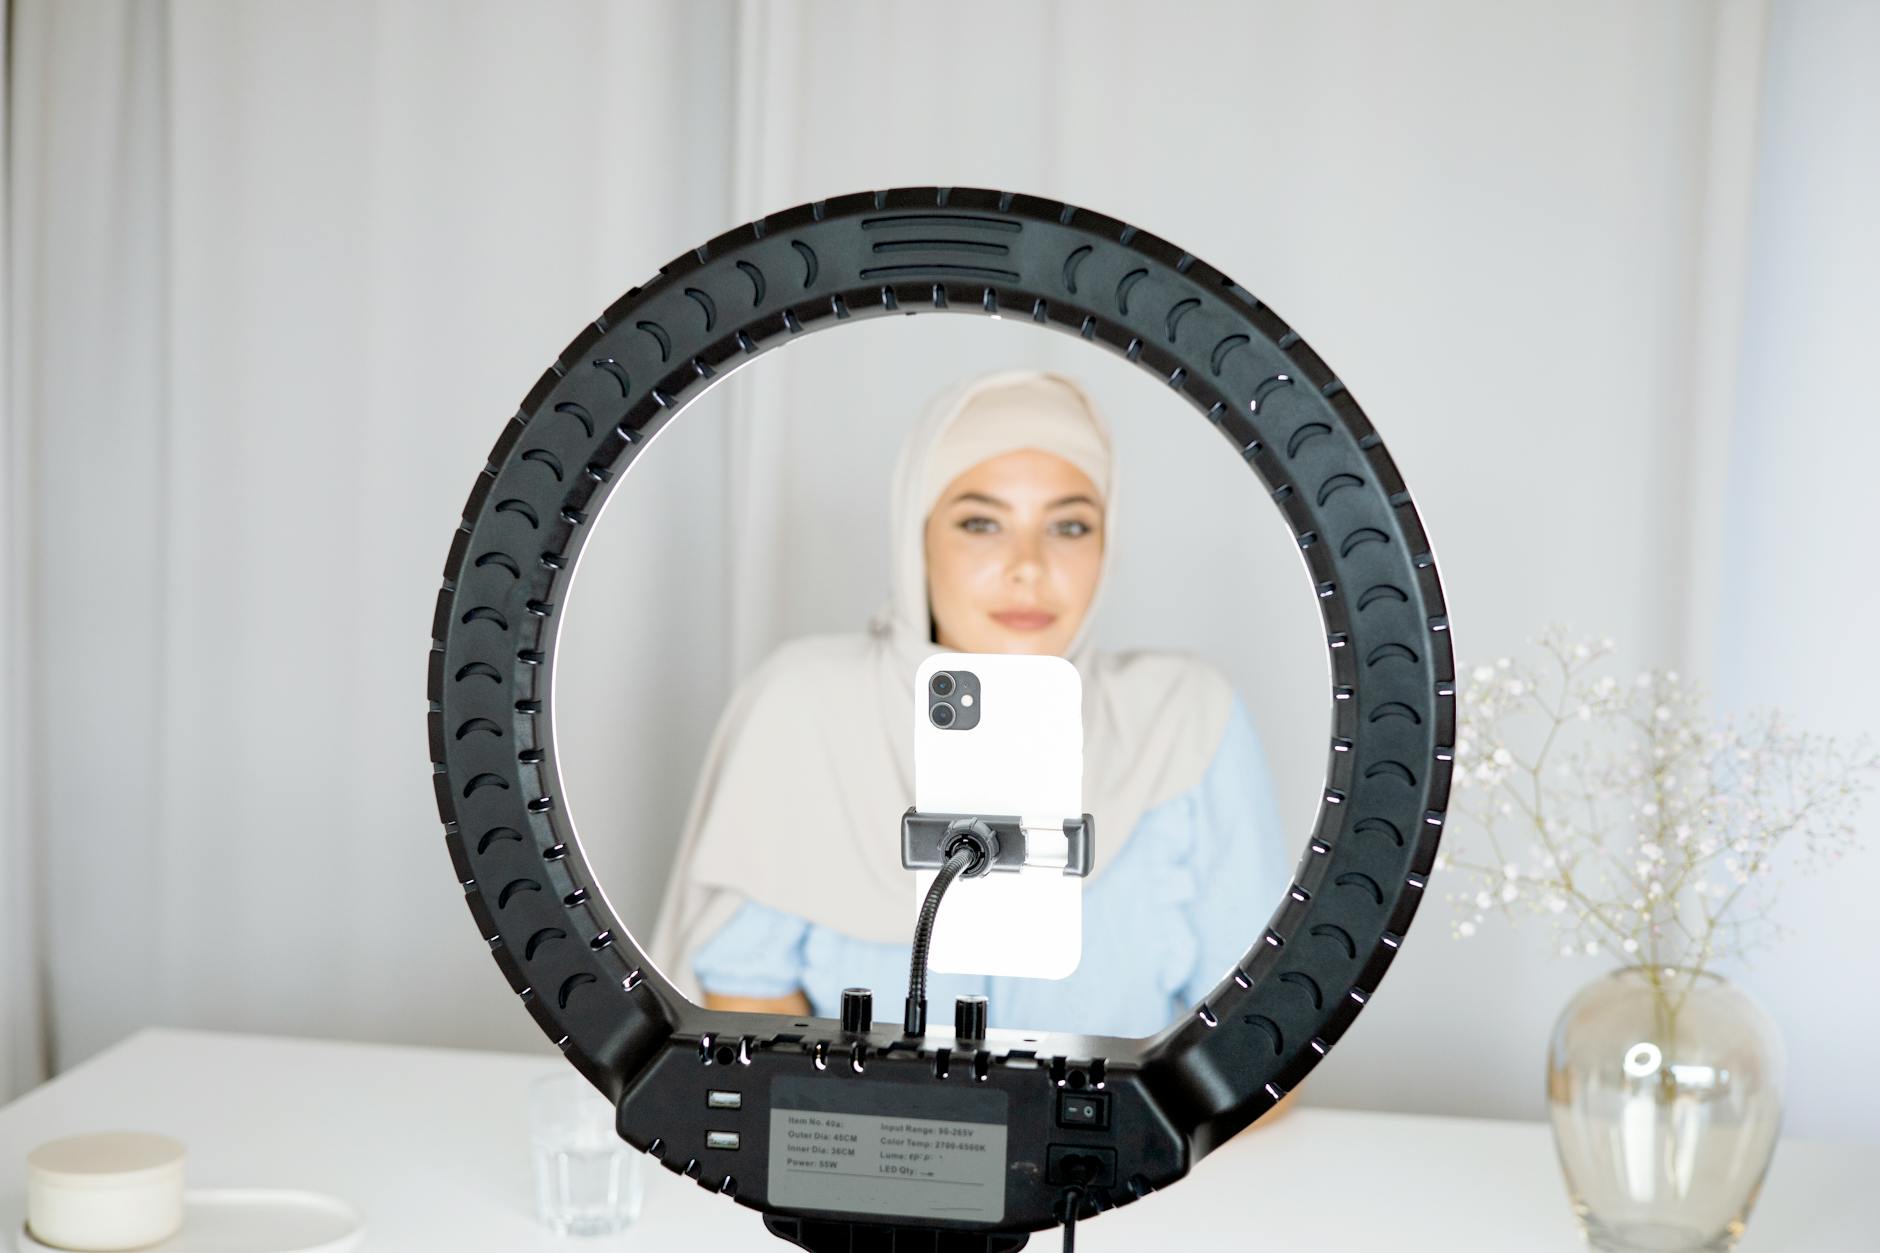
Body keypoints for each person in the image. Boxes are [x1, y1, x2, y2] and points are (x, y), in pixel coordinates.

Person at [646, 366, 1294, 1040]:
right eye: (982, 522)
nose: (1028, 566)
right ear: (915, 538)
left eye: (1070, 526)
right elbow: (741, 999)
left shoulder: (1184, 724)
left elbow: (1259, 1046)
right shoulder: (809, 709)